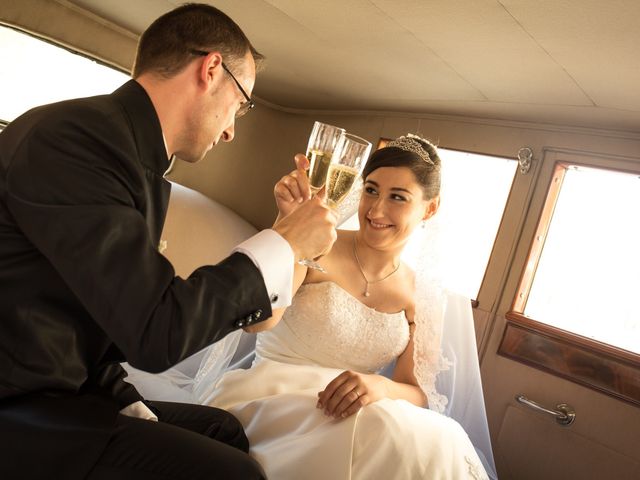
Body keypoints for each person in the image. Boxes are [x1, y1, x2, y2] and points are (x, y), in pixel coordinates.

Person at [0, 3, 336, 480]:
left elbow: (104, 322)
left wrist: (129, 404)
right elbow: (155, 331)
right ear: (211, 68)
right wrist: (280, 242)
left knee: (224, 431)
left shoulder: (136, 158)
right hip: (21, 403)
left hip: (74, 386)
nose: (232, 129)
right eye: (240, 104)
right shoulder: (79, 140)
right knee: (237, 474)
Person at [144, 134, 497, 479]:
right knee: (391, 437)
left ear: (430, 208)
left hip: (358, 408)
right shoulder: (319, 244)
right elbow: (262, 321)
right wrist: (289, 229)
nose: (376, 210)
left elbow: (416, 391)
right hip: (271, 395)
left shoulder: (422, 295)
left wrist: (379, 387)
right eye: (371, 190)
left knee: (438, 440)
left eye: (398, 198)